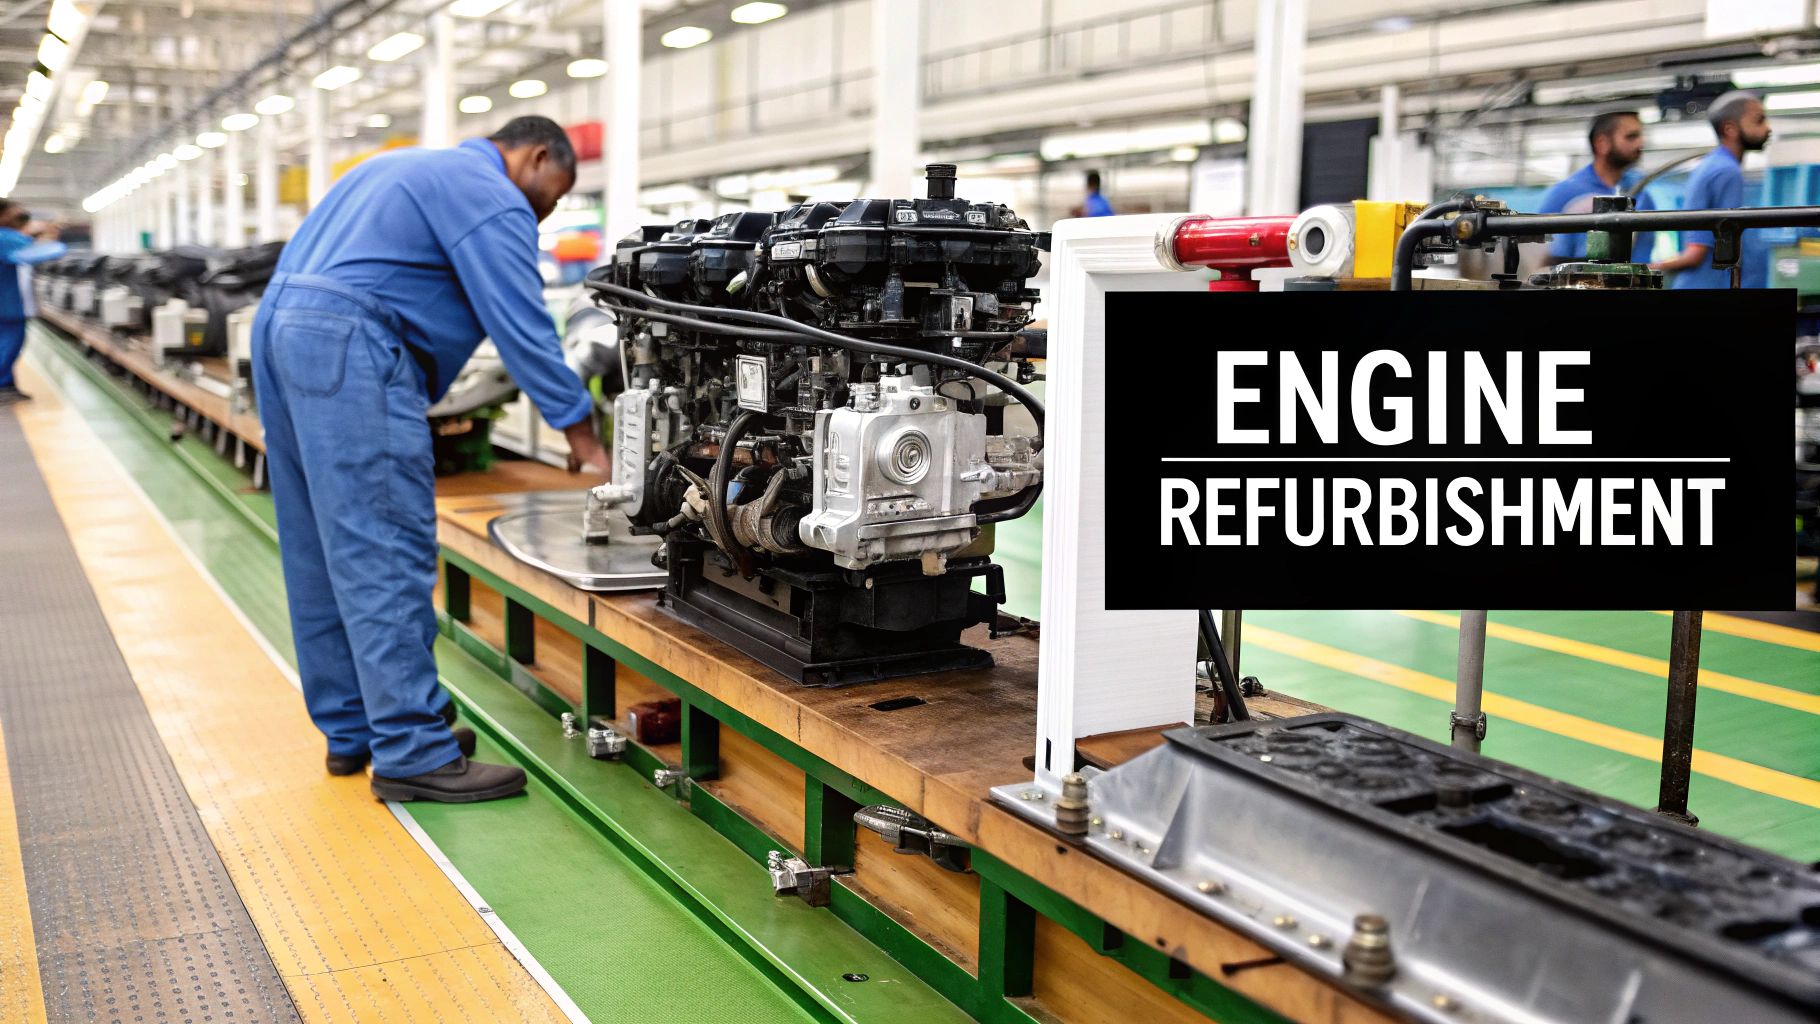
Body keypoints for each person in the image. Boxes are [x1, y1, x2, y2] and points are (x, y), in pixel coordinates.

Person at [253, 116, 608, 802]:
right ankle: (413, 748)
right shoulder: (491, 191)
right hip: (351, 343)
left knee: (322, 548)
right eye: (552, 195)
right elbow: (522, 322)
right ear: (536, 156)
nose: (544, 211)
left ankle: (356, 730)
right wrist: (582, 433)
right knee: (382, 548)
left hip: (281, 331)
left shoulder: (398, 168)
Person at [1653, 91, 1773, 288]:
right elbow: (1696, 252)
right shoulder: (1727, 171)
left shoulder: (1710, 166)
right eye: (1759, 120)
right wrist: (1651, 267)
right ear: (1730, 129)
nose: (1768, 128)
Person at [1537, 110, 1656, 264]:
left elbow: (1642, 255)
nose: (1640, 143)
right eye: (1631, 136)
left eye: (1640, 136)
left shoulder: (1641, 193)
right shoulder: (1565, 194)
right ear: (1602, 143)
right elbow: (1543, 259)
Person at [0, 201, 68, 404]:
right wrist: (54, 242)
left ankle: (7, 383)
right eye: (18, 216)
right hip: (7, 305)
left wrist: (35, 237)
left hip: (7, 303)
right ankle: (2, 384)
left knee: (6, 343)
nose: (22, 220)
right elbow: (38, 253)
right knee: (10, 343)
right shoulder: (5, 236)